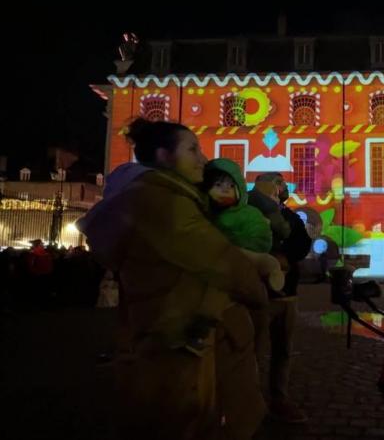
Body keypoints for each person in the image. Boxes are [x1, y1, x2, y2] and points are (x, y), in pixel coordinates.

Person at [77, 118, 268, 440]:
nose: (203, 159)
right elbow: (223, 263)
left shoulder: (166, 198)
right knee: (190, 419)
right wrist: (260, 290)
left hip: (169, 338)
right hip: (181, 344)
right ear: (165, 156)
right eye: (192, 149)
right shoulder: (166, 203)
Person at [175, 158, 285, 356]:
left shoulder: (250, 214)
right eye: (218, 185)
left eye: (230, 185)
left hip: (239, 262)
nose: (224, 190)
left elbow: (262, 240)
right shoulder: (203, 213)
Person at [248, 172, 312, 423]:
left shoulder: (290, 216)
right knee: (252, 350)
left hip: (287, 295)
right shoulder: (251, 214)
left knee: (283, 350)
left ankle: (279, 398)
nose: (284, 187)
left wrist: (285, 255)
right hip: (259, 295)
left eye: (283, 184)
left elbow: (302, 245)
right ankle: (248, 397)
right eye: (280, 184)